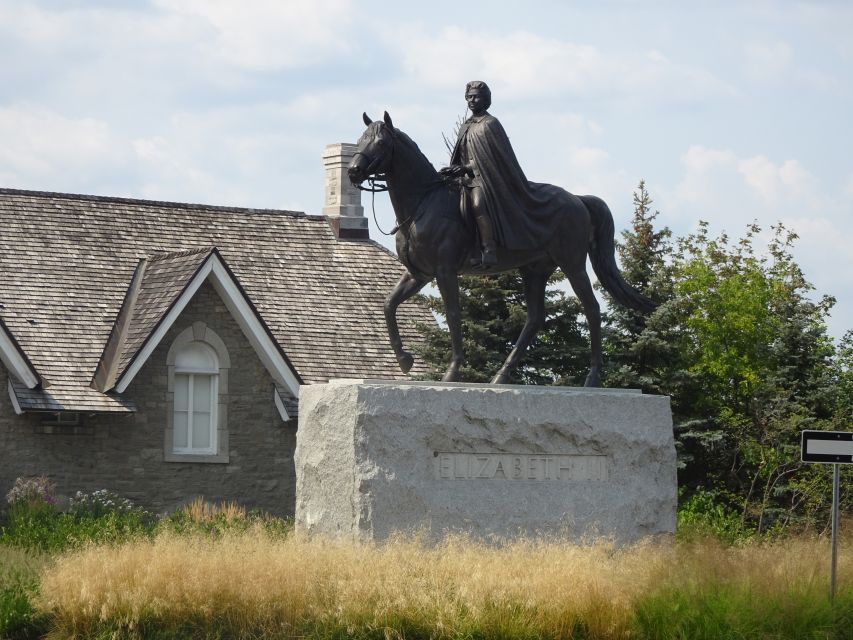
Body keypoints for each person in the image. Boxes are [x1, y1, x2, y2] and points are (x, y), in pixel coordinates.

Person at [440, 80, 544, 267]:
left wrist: (466, 168)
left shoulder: (490, 124)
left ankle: (489, 249)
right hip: (464, 179)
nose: (472, 100)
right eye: (469, 97)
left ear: (485, 99)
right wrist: (454, 169)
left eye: (476, 96)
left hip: (485, 179)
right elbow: (461, 154)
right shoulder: (466, 125)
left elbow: (494, 161)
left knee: (478, 204)